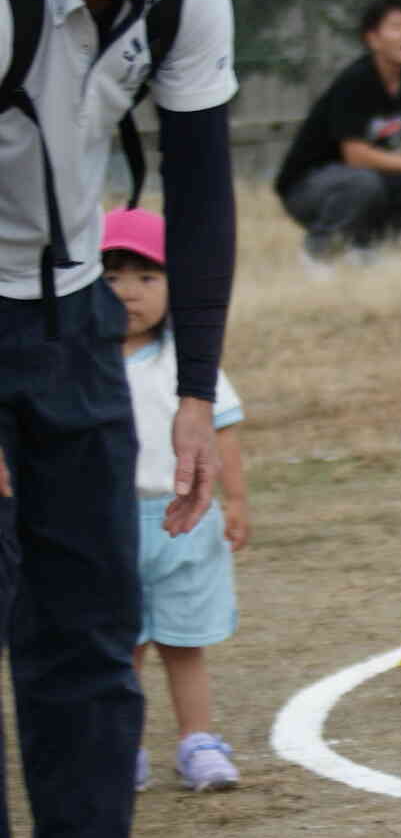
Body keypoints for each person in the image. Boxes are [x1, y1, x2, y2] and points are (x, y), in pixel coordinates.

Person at [0, 0, 234, 838]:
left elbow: (201, 179)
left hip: (79, 315)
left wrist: (194, 392)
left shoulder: (186, 5)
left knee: (93, 611)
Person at [101, 208, 249, 794]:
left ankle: (198, 742)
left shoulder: (188, 362)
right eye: (111, 278)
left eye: (146, 278)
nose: (128, 293)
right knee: (124, 649)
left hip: (185, 525)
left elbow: (224, 431)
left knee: (183, 645)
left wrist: (235, 501)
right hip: (106, 526)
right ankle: (122, 751)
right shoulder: (80, 363)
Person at [272, 0, 401, 266]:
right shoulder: (356, 81)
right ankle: (317, 253)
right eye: (397, 28)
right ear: (372, 39)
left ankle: (371, 252)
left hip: (361, 179)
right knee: (364, 181)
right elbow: (356, 156)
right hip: (307, 187)